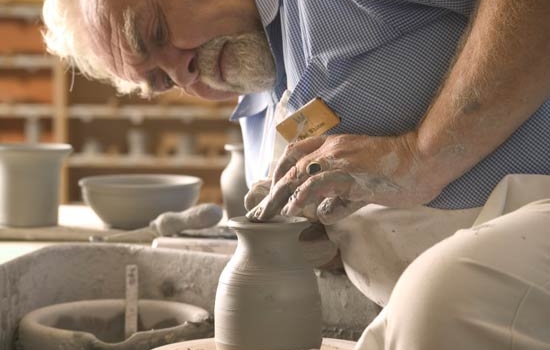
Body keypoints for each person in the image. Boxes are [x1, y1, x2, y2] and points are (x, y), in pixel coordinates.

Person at [42, 0, 550, 349]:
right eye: (157, 78)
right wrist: (320, 249)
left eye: (156, 33)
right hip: (454, 282)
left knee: (442, 301)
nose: (181, 73)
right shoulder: (258, 112)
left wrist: (422, 157)